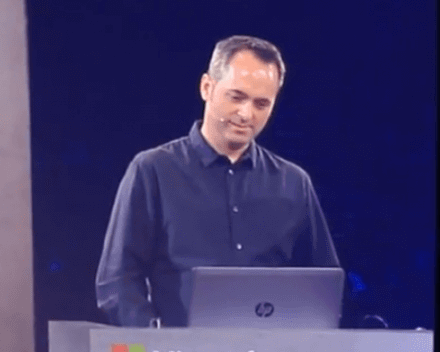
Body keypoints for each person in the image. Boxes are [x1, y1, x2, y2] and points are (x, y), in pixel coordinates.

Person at [95, 35, 340, 328]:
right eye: (236, 97)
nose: (246, 114)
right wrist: (157, 343)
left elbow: (322, 286)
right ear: (207, 87)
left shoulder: (294, 183)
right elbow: (117, 281)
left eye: (261, 103)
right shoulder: (153, 170)